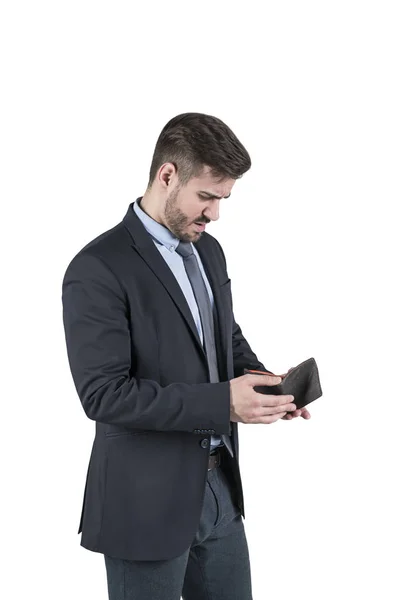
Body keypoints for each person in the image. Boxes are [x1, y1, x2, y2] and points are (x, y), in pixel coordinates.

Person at [61, 112, 311, 600]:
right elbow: (103, 395)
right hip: (145, 504)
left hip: (220, 489)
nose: (215, 213)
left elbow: (224, 339)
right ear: (167, 175)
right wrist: (223, 403)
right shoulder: (97, 268)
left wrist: (266, 388)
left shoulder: (208, 251)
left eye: (223, 199)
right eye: (207, 196)